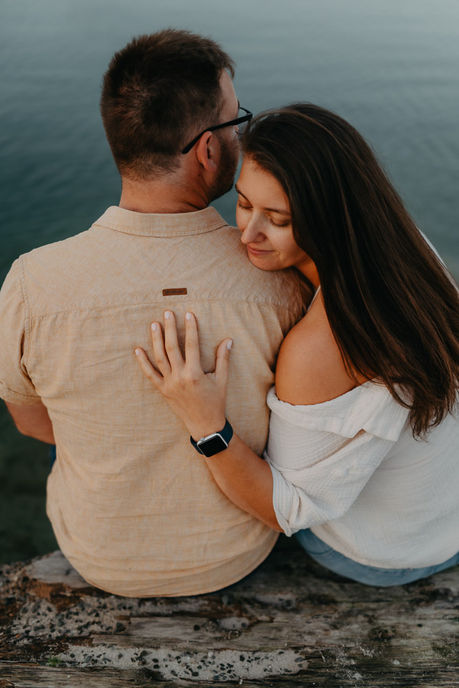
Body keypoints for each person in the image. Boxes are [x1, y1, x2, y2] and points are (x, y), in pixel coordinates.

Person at [0, 32, 306, 596]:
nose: (239, 137)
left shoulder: (31, 282)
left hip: (98, 557)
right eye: (235, 121)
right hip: (236, 553)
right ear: (207, 150)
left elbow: (30, 422)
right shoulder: (281, 281)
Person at [136, 103, 459, 587]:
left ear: (329, 217)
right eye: (244, 203)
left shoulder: (318, 348)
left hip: (383, 554)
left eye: (279, 219)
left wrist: (206, 423)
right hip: (443, 521)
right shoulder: (405, 249)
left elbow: (285, 509)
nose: (248, 233)